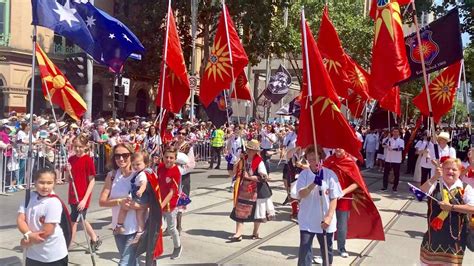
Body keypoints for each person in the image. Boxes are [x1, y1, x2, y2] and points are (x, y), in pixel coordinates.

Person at [419, 158, 474, 265]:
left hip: (455, 239)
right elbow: (419, 194)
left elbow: (472, 207)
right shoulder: (435, 184)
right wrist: (434, 177)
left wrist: (451, 207)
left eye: (454, 169)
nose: (450, 171)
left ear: (460, 172)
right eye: (447, 168)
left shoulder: (465, 188)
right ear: (442, 170)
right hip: (433, 237)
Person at [296, 145, 342, 266]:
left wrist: (329, 217)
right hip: (307, 219)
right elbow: (301, 194)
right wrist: (313, 183)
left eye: (314, 154)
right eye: (308, 155)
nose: (311, 157)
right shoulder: (303, 175)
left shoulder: (330, 174)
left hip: (325, 220)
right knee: (305, 252)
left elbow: (334, 197)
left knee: (327, 252)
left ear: (320, 156)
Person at [17, 168, 69, 265]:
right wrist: (28, 234)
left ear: (54, 184)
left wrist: (26, 242)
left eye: (49, 183)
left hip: (52, 255)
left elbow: (46, 232)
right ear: (35, 182)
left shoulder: (54, 202)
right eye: (41, 182)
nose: (45, 186)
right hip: (33, 254)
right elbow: (21, 219)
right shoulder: (29, 197)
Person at [99, 143, 139, 266]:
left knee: (124, 263)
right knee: (131, 262)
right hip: (118, 228)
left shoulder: (138, 175)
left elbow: (148, 204)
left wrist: (132, 205)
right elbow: (102, 202)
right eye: (117, 156)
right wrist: (119, 201)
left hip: (135, 228)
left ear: (131, 156)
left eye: (125, 155)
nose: (121, 159)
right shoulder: (111, 176)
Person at [230, 139, 275, 241]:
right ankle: (239, 232)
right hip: (243, 188)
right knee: (239, 209)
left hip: (257, 189)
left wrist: (250, 177)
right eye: (248, 149)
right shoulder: (243, 159)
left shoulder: (259, 162)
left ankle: (255, 232)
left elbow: (263, 178)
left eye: (252, 150)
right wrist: (238, 162)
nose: (249, 151)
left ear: (256, 151)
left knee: (257, 212)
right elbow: (234, 172)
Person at [67, 134, 101, 250]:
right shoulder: (71, 159)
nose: (77, 149)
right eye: (75, 146)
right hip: (73, 194)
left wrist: (85, 199)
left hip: (83, 195)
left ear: (85, 146)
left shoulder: (88, 160)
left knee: (74, 221)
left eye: (80, 146)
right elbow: (68, 179)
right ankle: (95, 238)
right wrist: (68, 171)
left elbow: (92, 181)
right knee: (81, 219)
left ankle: (68, 246)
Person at [323, 149, 359, 258]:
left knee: (342, 226)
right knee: (327, 223)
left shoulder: (350, 162)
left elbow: (356, 183)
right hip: (329, 198)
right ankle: (326, 249)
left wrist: (343, 192)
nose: (338, 149)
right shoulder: (329, 160)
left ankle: (341, 247)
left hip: (344, 199)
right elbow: (321, 174)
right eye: (336, 147)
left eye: (341, 147)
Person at [114, 151, 150, 245]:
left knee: (137, 215)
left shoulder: (142, 174)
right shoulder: (137, 172)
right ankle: (122, 226)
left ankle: (136, 231)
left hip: (139, 196)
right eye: (133, 164)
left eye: (138, 164)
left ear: (145, 164)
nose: (135, 166)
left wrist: (141, 191)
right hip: (135, 194)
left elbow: (143, 183)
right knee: (135, 213)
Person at [156, 146, 183, 259]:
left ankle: (178, 247)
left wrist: (161, 205)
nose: (168, 160)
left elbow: (172, 192)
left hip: (170, 204)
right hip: (160, 201)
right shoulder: (160, 167)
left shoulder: (176, 172)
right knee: (158, 227)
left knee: (171, 228)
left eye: (171, 158)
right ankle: (155, 250)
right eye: (166, 157)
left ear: (175, 158)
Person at [173, 128, 195, 235]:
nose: (181, 135)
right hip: (172, 176)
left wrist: (181, 170)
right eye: (179, 133)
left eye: (183, 134)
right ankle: (171, 225)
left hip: (183, 176)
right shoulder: (173, 145)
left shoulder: (188, 147)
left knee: (180, 200)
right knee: (171, 199)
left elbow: (191, 163)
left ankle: (178, 226)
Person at [381, 128, 404, 192]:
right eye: (394, 132)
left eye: (397, 132)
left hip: (397, 160)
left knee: (396, 174)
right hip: (389, 159)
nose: (395, 133)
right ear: (392, 133)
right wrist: (387, 138)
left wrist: (393, 149)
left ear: (399, 133)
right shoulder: (389, 140)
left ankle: (395, 187)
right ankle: (384, 186)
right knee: (386, 173)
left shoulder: (401, 141)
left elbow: (401, 148)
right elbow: (383, 144)